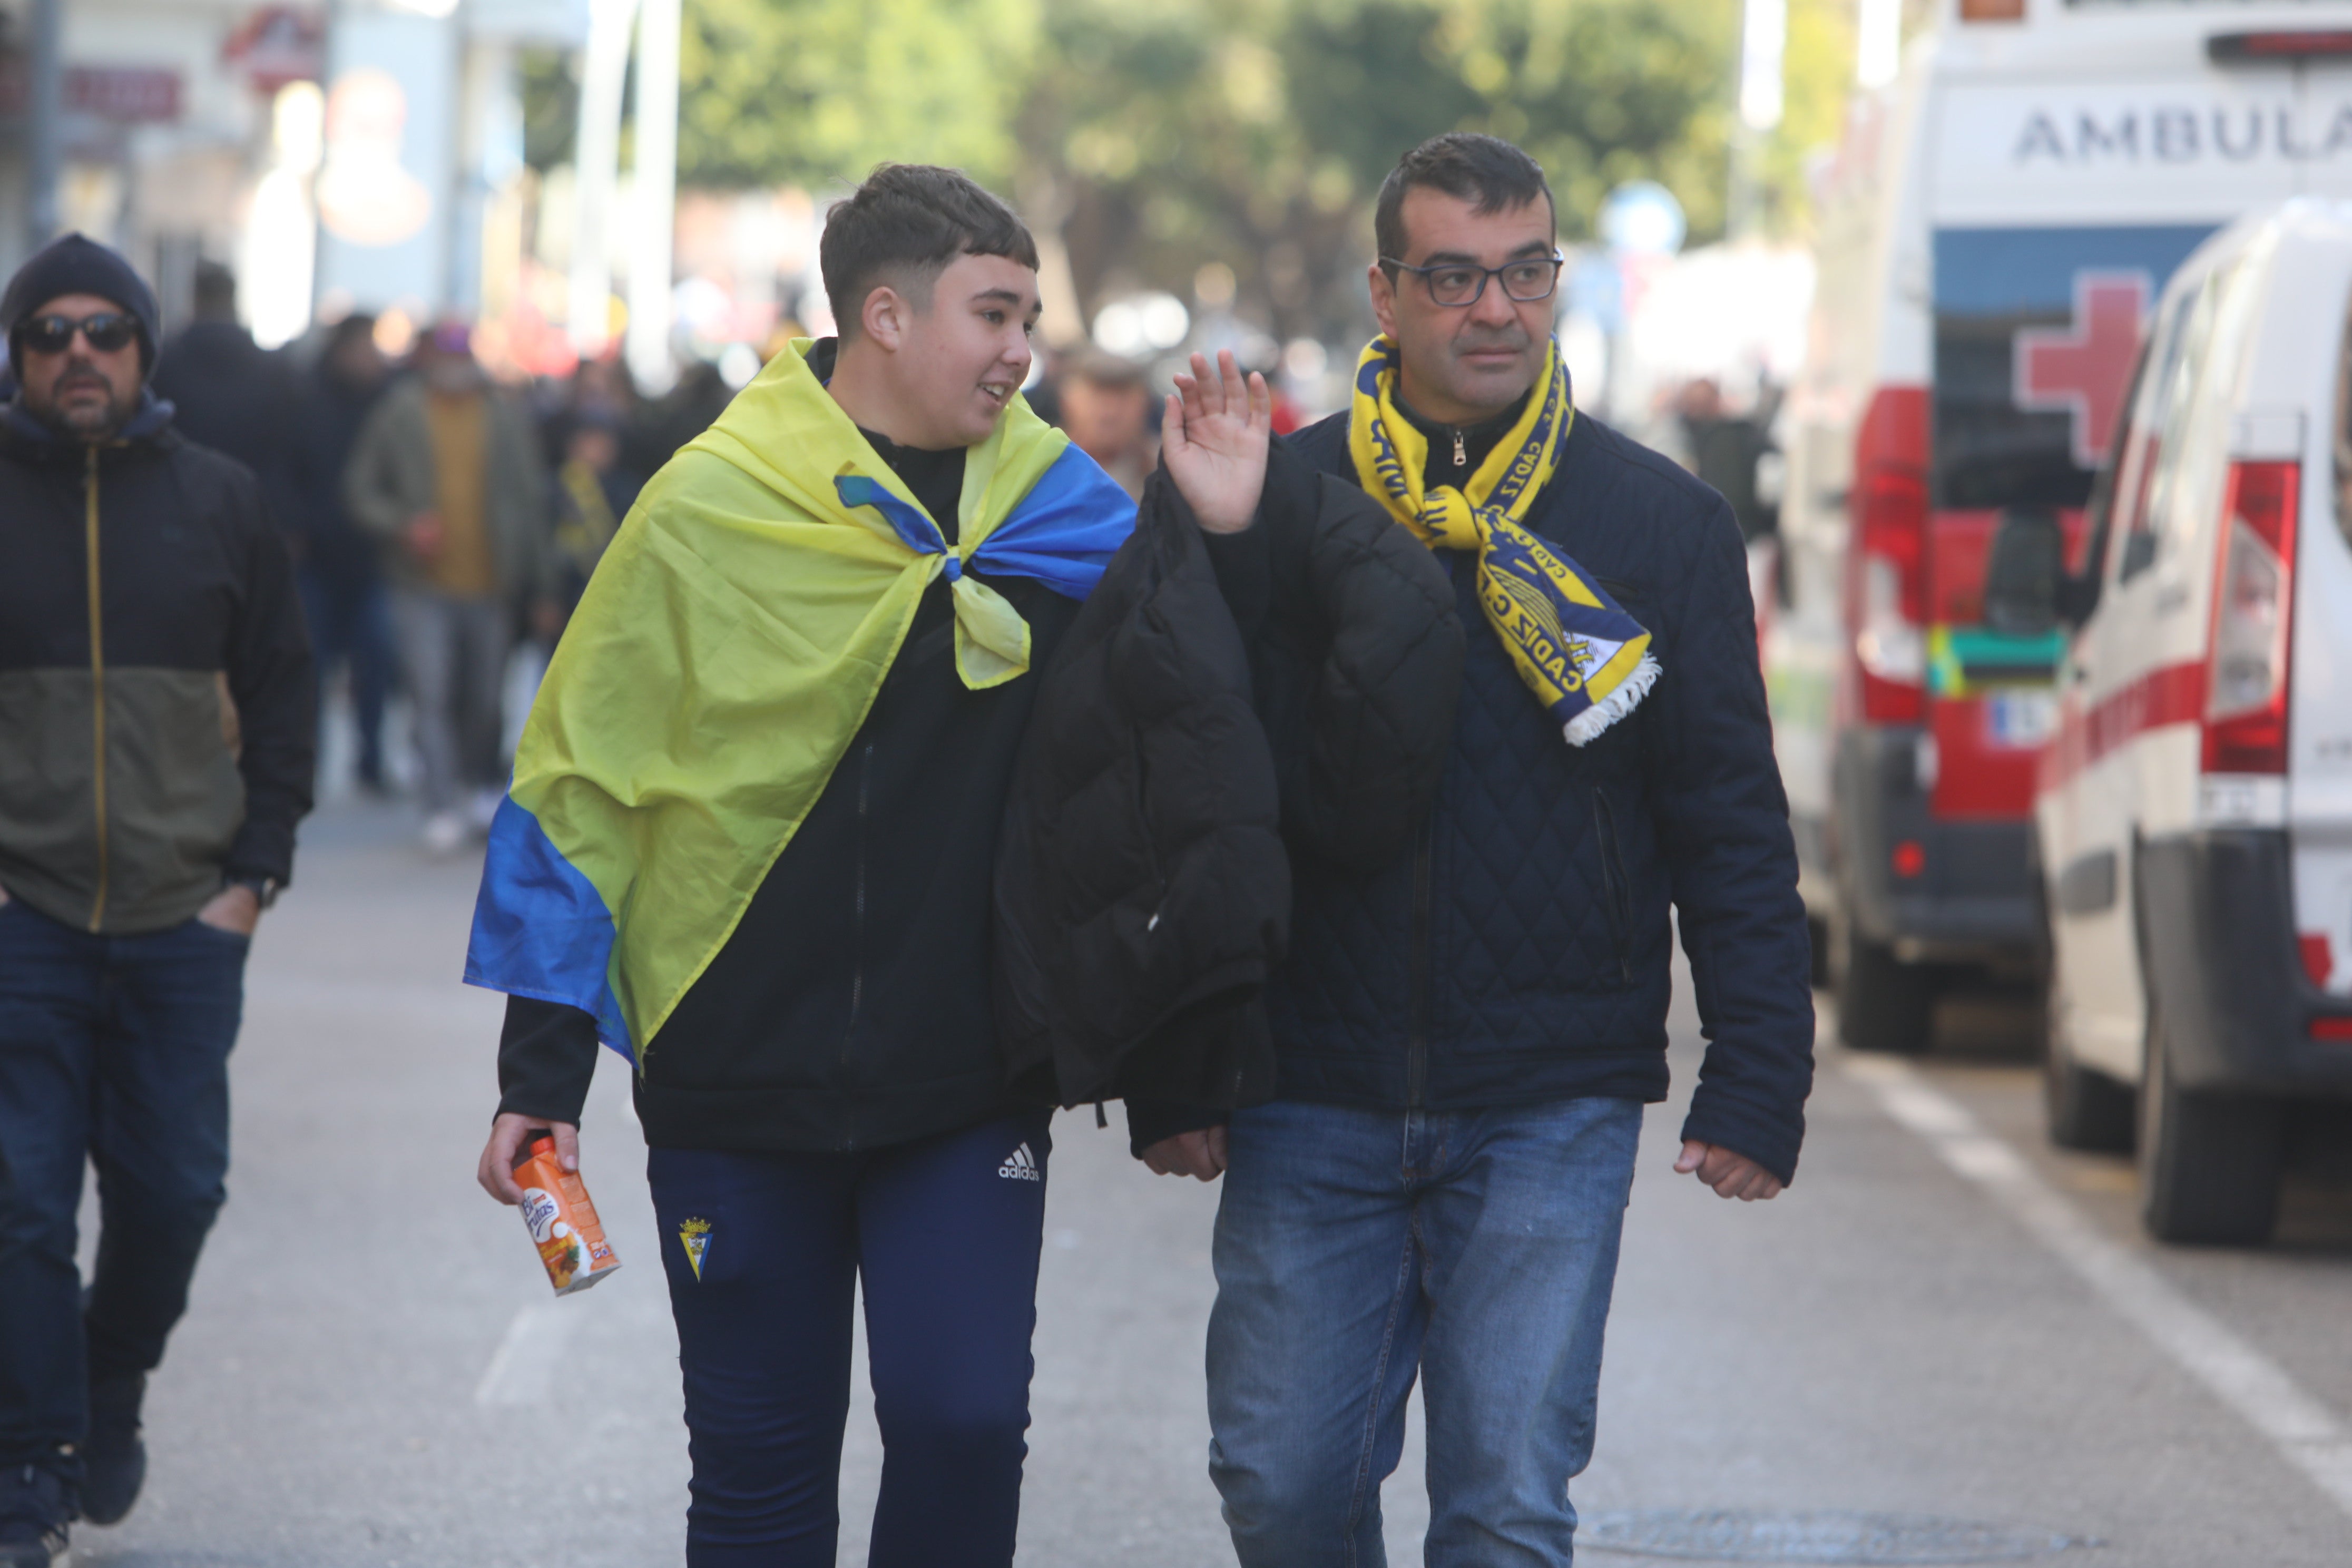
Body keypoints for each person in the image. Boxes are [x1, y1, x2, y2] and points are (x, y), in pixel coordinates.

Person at [463, 163, 1266, 1567]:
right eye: (996, 313)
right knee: (762, 1473)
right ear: (883, 317)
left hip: (967, 1079)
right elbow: (579, 790)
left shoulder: (1061, 515)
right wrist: (542, 1083)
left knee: (963, 1424)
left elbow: (1190, 752)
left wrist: (1211, 533)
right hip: (732, 1076)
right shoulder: (710, 506)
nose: (1025, 350)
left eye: (1029, 317)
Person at [1133, 133, 1816, 1565]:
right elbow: (1186, 791)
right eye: (1454, 277)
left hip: (1551, 1093)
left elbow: (1730, 816)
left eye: (1523, 274)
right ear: (1386, 295)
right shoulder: (1270, 494)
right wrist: (1177, 1060)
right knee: (1280, 1481)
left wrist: (1759, 1068)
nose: (1494, 308)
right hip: (1307, 1083)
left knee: (1508, 1509)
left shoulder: (1663, 524)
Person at [0, 234, 315, 1568]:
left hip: (188, 923)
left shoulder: (223, 500)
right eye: (50, 332)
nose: (79, 353)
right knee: (16, 1201)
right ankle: (32, 1462)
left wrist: (252, 880)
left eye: (105, 331)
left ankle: (106, 1383)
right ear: (18, 357)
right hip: (24, 919)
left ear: (143, 349)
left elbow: (289, 691)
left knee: (173, 1192)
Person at [345, 321, 554, 854]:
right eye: (447, 351)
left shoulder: (503, 415)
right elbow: (360, 489)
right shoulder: (400, 413)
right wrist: (402, 524)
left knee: (484, 697)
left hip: (492, 582)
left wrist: (544, 584)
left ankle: (476, 785)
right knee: (430, 691)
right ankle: (440, 802)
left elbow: (531, 503)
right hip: (421, 585)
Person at [291, 313, 399, 792]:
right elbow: (290, 467)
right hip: (317, 554)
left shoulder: (388, 405)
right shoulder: (305, 399)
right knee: (311, 664)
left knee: (374, 660)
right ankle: (310, 760)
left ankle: (371, 759)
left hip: (373, 557)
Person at [1054, 347, 1157, 498]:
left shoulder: (1169, 471)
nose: (1110, 413)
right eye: (1097, 395)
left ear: (1145, 404)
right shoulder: (1039, 466)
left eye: (1123, 397)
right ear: (1067, 400)